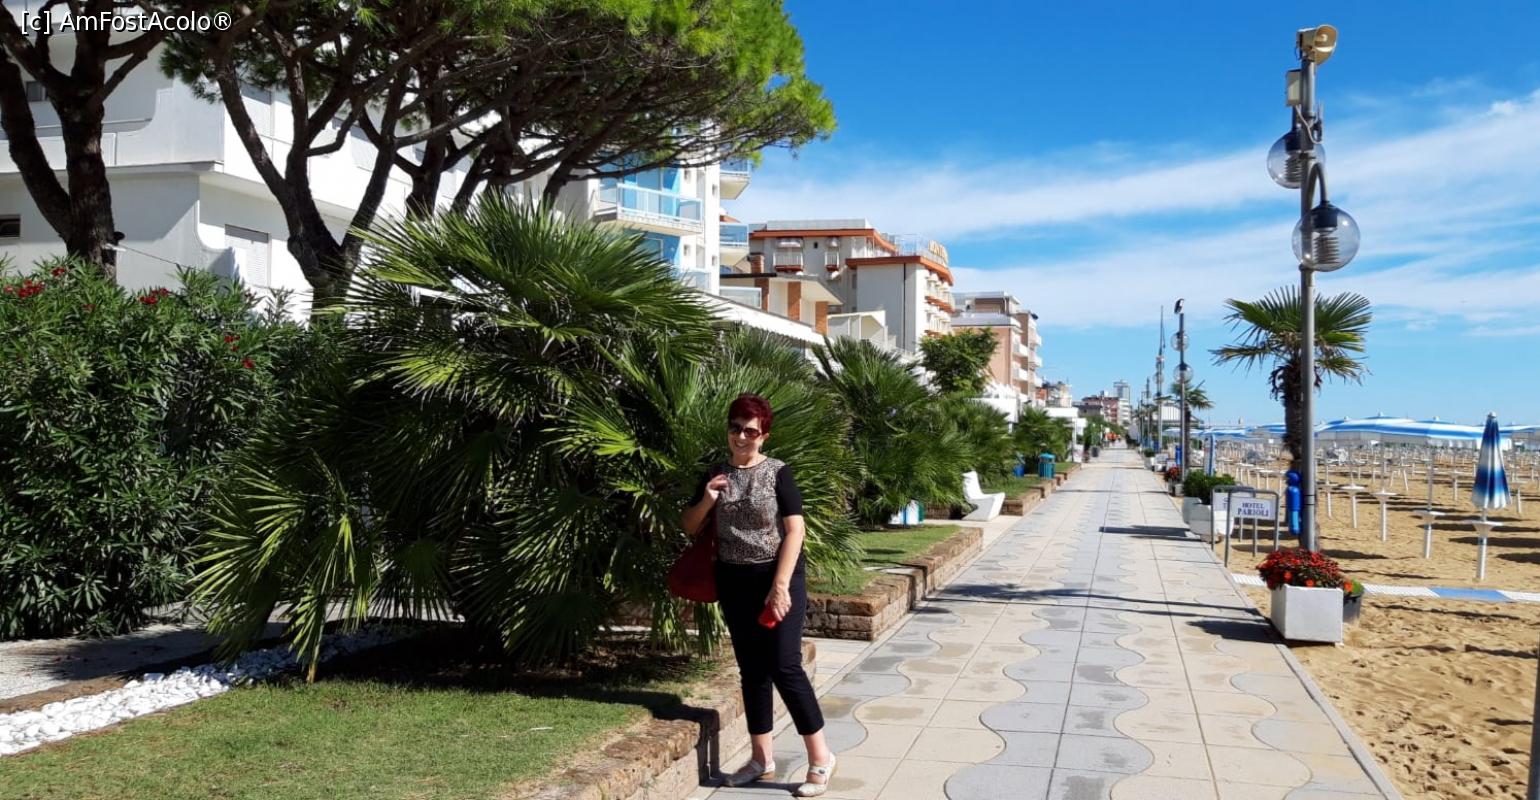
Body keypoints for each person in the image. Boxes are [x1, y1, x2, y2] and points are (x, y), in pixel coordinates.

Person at [681, 392, 835, 797]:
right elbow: (690, 526)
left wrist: (780, 586)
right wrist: (707, 499)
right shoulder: (716, 473)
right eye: (735, 428)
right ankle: (760, 759)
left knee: (785, 666)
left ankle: (821, 758)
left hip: (777, 576)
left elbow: (796, 530)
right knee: (752, 670)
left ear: (764, 435)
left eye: (751, 431)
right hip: (734, 580)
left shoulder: (779, 473)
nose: (741, 437)